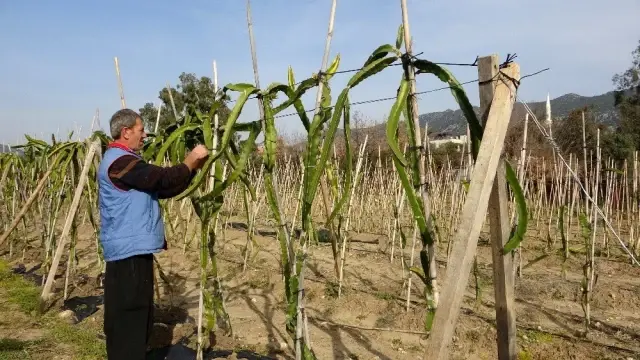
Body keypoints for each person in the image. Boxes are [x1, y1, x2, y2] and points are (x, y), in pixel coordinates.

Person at [97, 108, 208, 360]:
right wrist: (190, 160)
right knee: (130, 315)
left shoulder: (123, 160)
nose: (145, 135)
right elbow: (160, 178)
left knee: (134, 315)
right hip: (129, 253)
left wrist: (190, 170)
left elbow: (163, 187)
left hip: (131, 249)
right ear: (125, 132)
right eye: (140, 130)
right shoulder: (120, 162)